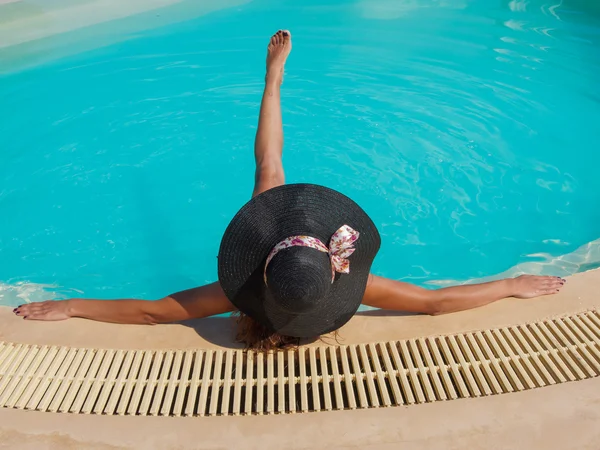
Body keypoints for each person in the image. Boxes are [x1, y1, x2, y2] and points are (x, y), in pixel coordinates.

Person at [13, 30, 565, 350]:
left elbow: (153, 312)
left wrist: (73, 305)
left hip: (276, 282)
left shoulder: (234, 293)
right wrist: (512, 284)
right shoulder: (352, 284)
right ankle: (274, 81)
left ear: (263, 264)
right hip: (293, 283)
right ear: (332, 273)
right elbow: (436, 304)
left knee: (269, 166)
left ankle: (272, 81)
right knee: (271, 166)